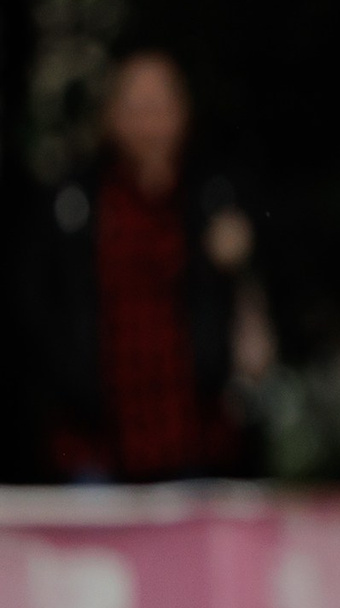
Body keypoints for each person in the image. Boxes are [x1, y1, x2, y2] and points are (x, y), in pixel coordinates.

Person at [16, 51, 274, 482]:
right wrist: (67, 387)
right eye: (135, 107)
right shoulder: (72, 206)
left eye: (159, 106)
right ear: (110, 118)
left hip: (198, 443)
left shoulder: (217, 199)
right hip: (93, 446)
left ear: (184, 114)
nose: (148, 122)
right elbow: (37, 308)